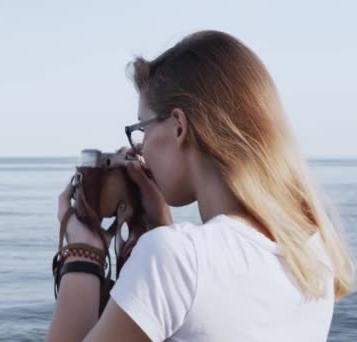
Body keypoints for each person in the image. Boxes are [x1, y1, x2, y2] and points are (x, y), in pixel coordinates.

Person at [46, 30, 354, 342]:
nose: (141, 148)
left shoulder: (175, 259)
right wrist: (159, 228)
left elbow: (185, 276)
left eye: (143, 128)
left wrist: (84, 251)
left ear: (179, 127)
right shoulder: (314, 252)